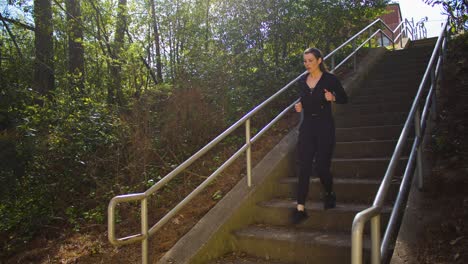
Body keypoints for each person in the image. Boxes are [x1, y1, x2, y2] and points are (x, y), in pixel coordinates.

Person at [291, 48, 348, 225]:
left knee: (322, 167)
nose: (307, 64)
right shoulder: (302, 81)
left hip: (325, 126)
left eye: (310, 60)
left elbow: (344, 98)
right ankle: (300, 208)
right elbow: (304, 99)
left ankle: (329, 193)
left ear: (319, 60)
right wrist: (299, 106)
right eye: (305, 61)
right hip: (307, 127)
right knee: (304, 167)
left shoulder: (330, 79)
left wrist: (332, 97)